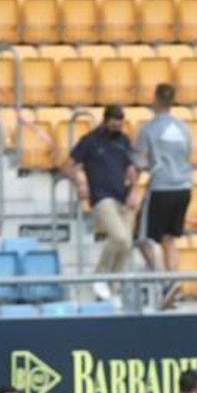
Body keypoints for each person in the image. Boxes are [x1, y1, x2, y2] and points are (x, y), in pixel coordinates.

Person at [64, 105, 139, 301]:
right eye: (114, 126)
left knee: (126, 245)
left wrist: (135, 191)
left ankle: (109, 290)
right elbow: (68, 165)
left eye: (120, 126)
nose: (117, 129)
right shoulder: (90, 141)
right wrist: (80, 182)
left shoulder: (124, 141)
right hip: (101, 196)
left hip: (123, 196)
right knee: (120, 237)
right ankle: (100, 276)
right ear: (105, 122)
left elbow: (131, 169)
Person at [134, 83, 194, 309]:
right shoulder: (184, 128)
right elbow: (187, 154)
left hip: (161, 187)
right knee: (169, 239)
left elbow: (139, 161)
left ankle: (162, 281)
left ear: (156, 98)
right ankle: (174, 282)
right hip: (184, 187)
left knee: (141, 238)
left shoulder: (148, 129)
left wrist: (133, 182)